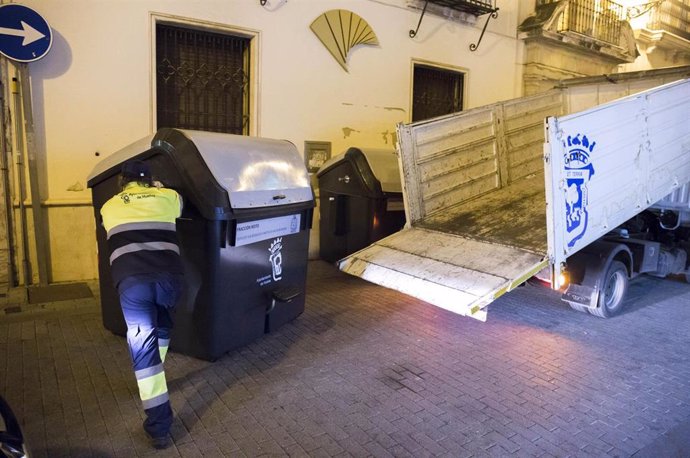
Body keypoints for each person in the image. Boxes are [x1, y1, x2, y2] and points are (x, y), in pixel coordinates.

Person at [100, 160, 184, 449]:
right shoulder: (167, 197)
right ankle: (154, 375)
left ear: (123, 181)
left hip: (133, 281)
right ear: (150, 181)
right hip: (170, 278)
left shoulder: (109, 206)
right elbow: (181, 205)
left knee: (143, 347)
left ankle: (159, 426)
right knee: (163, 326)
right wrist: (159, 190)